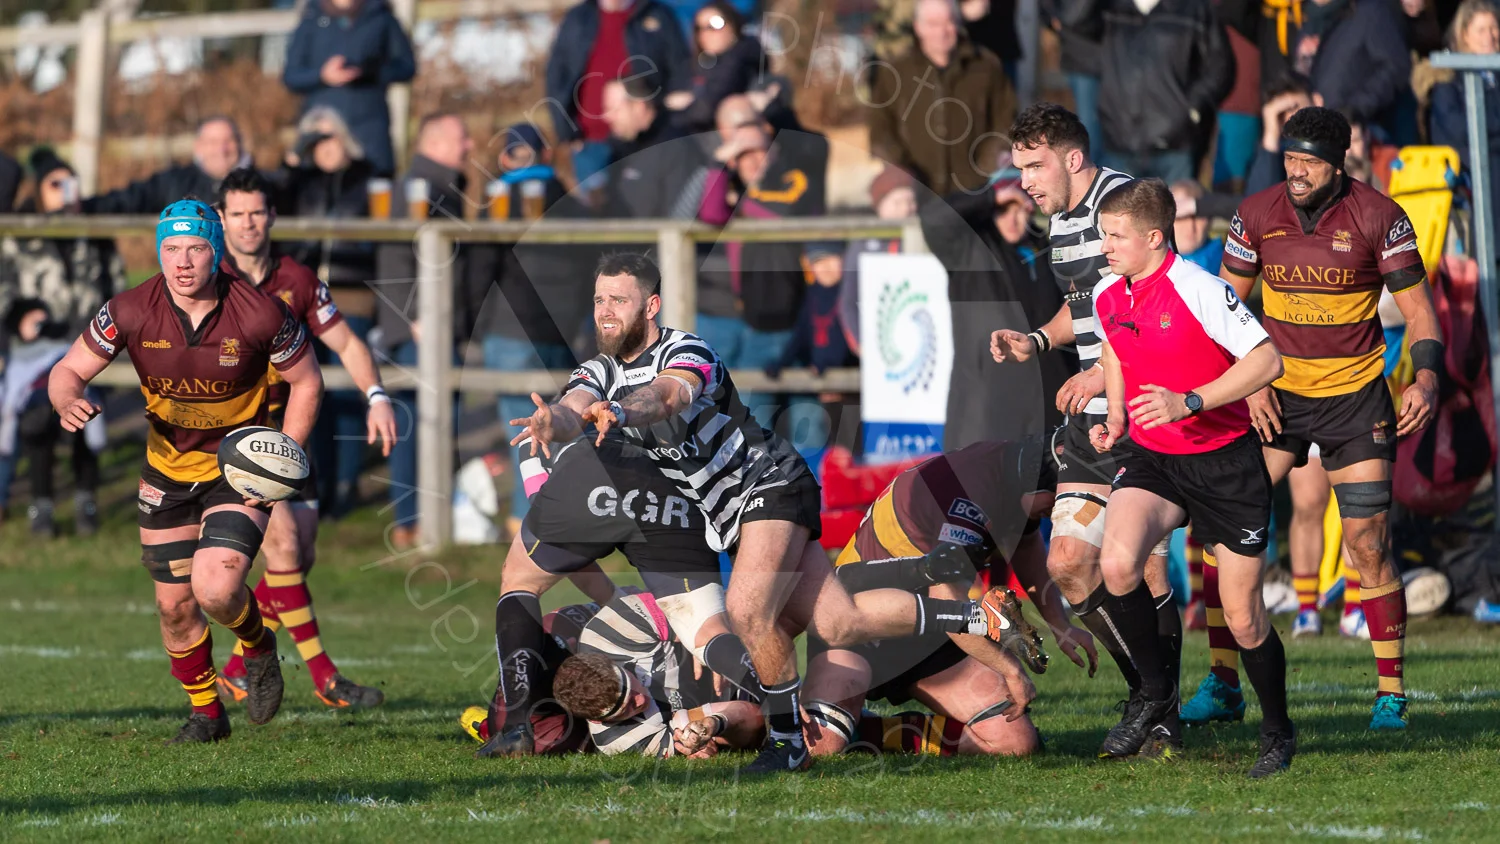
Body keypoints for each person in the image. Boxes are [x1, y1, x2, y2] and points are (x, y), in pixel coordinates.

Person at [502, 252, 1022, 773]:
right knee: (841, 622)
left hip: (768, 483)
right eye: (599, 300)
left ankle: (786, 741)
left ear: (651, 305)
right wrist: (555, 423)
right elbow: (575, 404)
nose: (606, 311)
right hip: (732, 512)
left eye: (619, 299)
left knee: (750, 612)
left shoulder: (684, 349)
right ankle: (976, 616)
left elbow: (667, 396)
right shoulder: (598, 371)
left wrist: (618, 411)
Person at [1193, 107, 1442, 733]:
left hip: (1355, 400)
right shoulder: (1255, 213)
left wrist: (1427, 376)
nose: (1295, 172)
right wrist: (1246, 388)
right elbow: (1225, 312)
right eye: (1289, 159)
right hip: (1276, 396)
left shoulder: (1380, 216)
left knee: (1367, 544)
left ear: (1339, 164)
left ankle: (1391, 695)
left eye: (1308, 162)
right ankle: (1224, 683)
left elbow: (1419, 312)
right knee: (1221, 530)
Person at [47, 200, 324, 743]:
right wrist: (66, 399)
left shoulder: (260, 312)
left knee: (216, 590)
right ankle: (207, 714)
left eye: (196, 247)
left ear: (215, 251)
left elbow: (308, 381)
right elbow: (68, 369)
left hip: (237, 471)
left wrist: (283, 454)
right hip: (166, 471)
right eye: (171, 248)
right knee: (174, 607)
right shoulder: (129, 309)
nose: (182, 261)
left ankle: (258, 643)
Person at [988, 104, 1178, 756]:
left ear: (1073, 158)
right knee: (1070, 563)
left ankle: (1162, 714)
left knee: (1146, 570)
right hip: (1095, 419)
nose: (1026, 182)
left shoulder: (1123, 208)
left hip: (1147, 408)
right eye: (1019, 169)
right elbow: (1088, 309)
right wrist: (1039, 339)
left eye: (1034, 166)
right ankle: (1149, 697)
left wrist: (1104, 373)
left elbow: (1155, 306)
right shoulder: (1062, 222)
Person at [1087, 177, 1293, 776]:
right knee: (1118, 563)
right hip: (1155, 457)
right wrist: (1118, 414)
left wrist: (1192, 401)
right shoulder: (1108, 292)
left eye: (1115, 236)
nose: (1105, 246)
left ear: (1154, 237)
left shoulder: (1198, 289)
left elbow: (1267, 360)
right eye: (1103, 235)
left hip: (1224, 461)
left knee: (1242, 614)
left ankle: (1278, 732)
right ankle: (1155, 693)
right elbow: (1114, 353)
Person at [210, 167, 392, 710]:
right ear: (221, 219)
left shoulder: (299, 279)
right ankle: (325, 678)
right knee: (285, 545)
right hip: (238, 441)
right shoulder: (208, 277)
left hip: (291, 432)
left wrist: (377, 396)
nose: (248, 224)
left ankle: (239, 670)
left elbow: (349, 345)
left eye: (257, 212)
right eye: (237, 214)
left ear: (272, 216)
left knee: (299, 554)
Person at [802, 439, 1102, 759]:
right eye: (1060, 501)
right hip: (861, 628)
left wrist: (1060, 624)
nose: (1062, 513)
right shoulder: (966, 502)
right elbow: (949, 607)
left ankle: (869, 733)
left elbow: (1025, 543)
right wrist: (1011, 670)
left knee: (1014, 743)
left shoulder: (1015, 469)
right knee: (822, 747)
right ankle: (776, 717)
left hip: (925, 629)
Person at [470, 123, 591, 539]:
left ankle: (527, 523)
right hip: (561, 331)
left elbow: (480, 268)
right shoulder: (573, 203)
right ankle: (550, 520)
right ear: (545, 153)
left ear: (505, 157)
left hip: (509, 327)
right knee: (556, 426)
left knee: (521, 429)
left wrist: (467, 322)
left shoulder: (497, 201)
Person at [0, 148, 126, 532]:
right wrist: (21, 317)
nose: (64, 190)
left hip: (90, 347)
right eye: (55, 183)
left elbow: (118, 290)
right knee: (39, 418)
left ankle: (86, 501)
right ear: (40, 189)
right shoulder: (21, 233)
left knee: (83, 416)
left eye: (70, 181)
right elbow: (4, 289)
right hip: (36, 352)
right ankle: (41, 506)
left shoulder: (95, 233)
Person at [372, 113, 475, 545]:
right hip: (419, 330)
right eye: (460, 136)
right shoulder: (416, 188)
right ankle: (410, 523)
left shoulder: (445, 186)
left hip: (437, 326)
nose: (469, 145)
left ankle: (430, 518)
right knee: (414, 423)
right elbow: (398, 253)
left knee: (437, 422)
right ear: (432, 142)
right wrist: (413, 317)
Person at [922, 156, 1074, 447]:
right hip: (984, 399)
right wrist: (993, 195)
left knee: (1042, 487)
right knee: (983, 486)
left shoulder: (1043, 246)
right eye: (1005, 209)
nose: (1014, 218)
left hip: (1042, 396)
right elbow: (933, 217)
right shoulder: (968, 248)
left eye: (1020, 209)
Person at [277, 105, 378, 519]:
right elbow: (271, 201)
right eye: (313, 140)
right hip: (303, 297)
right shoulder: (299, 183)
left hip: (351, 294)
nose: (324, 147)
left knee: (345, 392)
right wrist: (295, 161)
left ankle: (345, 483)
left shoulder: (368, 177)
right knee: (308, 391)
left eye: (330, 136)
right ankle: (314, 477)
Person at [867, 0, 1017, 196]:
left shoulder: (986, 67)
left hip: (974, 189)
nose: (942, 31)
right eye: (933, 24)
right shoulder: (895, 71)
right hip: (917, 191)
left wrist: (987, 164)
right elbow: (880, 129)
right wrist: (902, 173)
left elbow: (1006, 120)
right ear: (918, 27)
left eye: (949, 22)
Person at [544, 0, 692, 190]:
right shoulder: (579, 18)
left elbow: (680, 68)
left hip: (645, 137)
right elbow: (556, 75)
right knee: (599, 209)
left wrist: (667, 112)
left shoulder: (657, 14)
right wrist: (567, 131)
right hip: (590, 141)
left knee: (647, 203)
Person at [1084, 0, 1236, 183]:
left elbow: (1221, 66)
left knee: (1175, 211)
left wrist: (1192, 108)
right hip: (1118, 139)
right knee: (1119, 211)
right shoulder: (1109, 8)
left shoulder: (1194, 8)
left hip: (1175, 144)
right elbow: (1072, 19)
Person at [282, 0, 416, 177]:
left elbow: (406, 67)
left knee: (377, 189)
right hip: (323, 129)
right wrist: (321, 76)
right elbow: (291, 76)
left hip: (370, 131)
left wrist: (369, 72)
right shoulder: (312, 19)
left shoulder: (381, 16)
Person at [1, 299, 100, 537]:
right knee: (39, 444)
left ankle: (85, 504)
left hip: (73, 410)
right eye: (33, 323)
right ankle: (41, 510)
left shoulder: (67, 349)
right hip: (36, 416)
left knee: (83, 440)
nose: (40, 326)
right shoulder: (18, 358)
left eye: (43, 321)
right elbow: (11, 397)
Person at [1430, 1, 1500, 243]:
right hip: (1474, 186)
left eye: (1494, 28)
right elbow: (1462, 130)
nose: (1490, 36)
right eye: (1481, 29)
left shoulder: (1496, 78)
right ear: (1464, 35)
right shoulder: (1448, 83)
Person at [83, 117, 248, 215]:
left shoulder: (262, 185)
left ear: (240, 144)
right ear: (198, 146)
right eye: (213, 142)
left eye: (229, 141)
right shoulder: (175, 182)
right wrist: (82, 207)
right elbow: (130, 199)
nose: (222, 149)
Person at [600, 75, 707, 221]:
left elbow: (680, 218)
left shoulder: (676, 148)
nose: (607, 117)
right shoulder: (619, 149)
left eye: (614, 109)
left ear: (639, 107)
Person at [676, 0, 764, 136]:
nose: (706, 33)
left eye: (715, 25)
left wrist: (690, 102)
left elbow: (707, 108)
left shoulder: (742, 58)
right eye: (699, 28)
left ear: (732, 25)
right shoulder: (694, 66)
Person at [1171, 180, 1226, 272]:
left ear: (1210, 221)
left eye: (1198, 216)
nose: (1190, 226)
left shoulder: (1229, 265)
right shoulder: (1146, 266)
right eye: (1181, 217)